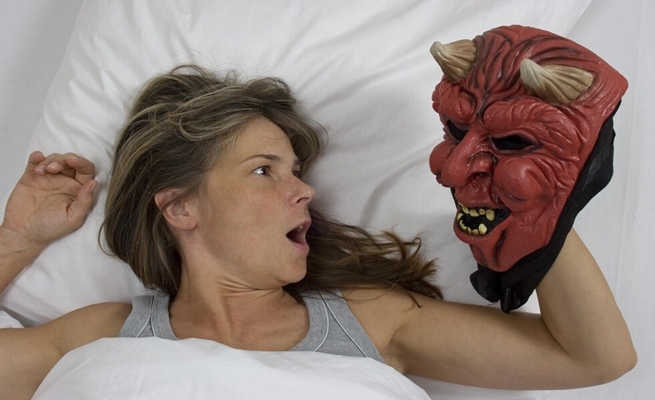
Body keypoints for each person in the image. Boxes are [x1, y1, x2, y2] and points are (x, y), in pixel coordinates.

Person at [0, 65, 636, 399]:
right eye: (264, 170)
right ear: (180, 208)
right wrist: (18, 239)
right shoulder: (104, 335)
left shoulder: (371, 320)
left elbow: (594, 357)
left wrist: (530, 204)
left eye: (296, 170)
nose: (304, 190)